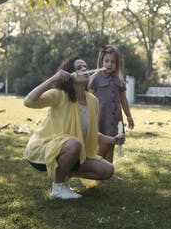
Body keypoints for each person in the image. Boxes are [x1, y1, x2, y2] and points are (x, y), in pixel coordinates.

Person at [23, 56, 120, 200]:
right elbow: (29, 101)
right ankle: (59, 187)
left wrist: (113, 140)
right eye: (79, 67)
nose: (84, 69)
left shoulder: (93, 101)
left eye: (86, 67)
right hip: (43, 150)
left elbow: (90, 132)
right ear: (70, 74)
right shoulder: (59, 95)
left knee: (107, 171)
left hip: (73, 150)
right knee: (74, 143)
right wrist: (53, 79)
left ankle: (65, 172)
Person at [89, 45, 134, 165]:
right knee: (103, 143)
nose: (109, 64)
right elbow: (89, 98)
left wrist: (129, 116)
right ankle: (93, 166)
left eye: (113, 62)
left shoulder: (118, 80)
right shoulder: (95, 79)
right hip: (101, 117)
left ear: (117, 64)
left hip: (115, 118)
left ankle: (109, 171)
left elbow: (124, 100)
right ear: (101, 61)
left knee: (113, 143)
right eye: (107, 61)